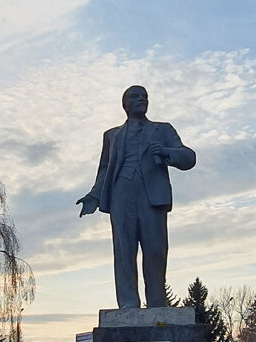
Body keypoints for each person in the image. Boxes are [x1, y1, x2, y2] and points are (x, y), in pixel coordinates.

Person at [77, 85, 196, 309]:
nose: (141, 99)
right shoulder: (111, 135)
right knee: (124, 251)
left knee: (155, 251)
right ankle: (128, 305)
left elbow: (189, 157)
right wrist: (94, 194)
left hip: (152, 196)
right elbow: (104, 169)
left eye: (145, 96)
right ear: (125, 104)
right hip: (121, 194)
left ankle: (157, 304)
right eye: (135, 96)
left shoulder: (163, 129)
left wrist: (166, 152)